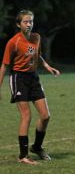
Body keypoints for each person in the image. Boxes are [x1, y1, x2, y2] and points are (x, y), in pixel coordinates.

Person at [0, 10, 60, 165]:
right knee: (26, 116)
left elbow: (36, 54)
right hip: (18, 79)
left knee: (46, 116)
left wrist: (47, 66)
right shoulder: (13, 42)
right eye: (25, 22)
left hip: (33, 78)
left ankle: (37, 147)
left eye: (31, 21)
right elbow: (4, 66)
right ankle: (23, 156)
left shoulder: (36, 37)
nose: (29, 24)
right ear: (18, 24)